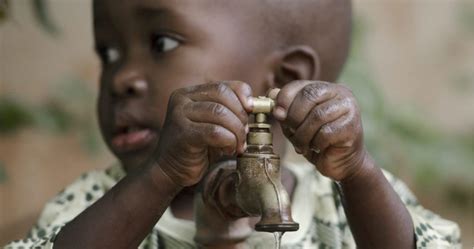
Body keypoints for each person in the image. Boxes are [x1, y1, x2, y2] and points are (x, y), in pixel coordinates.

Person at [5, 0, 461, 248]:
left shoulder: (347, 203)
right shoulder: (93, 205)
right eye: (108, 52)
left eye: (161, 41)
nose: (120, 77)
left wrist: (359, 173)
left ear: (282, 79)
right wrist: (160, 175)